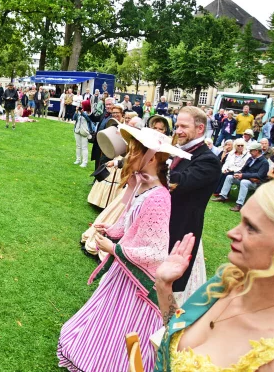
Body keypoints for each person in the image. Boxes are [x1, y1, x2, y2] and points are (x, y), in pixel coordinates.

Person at [59, 124, 191, 372]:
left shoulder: (158, 197)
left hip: (139, 283)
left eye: (135, 151)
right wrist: (110, 230)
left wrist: (114, 249)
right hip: (123, 273)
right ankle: (95, 356)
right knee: (106, 319)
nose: (129, 156)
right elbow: (129, 221)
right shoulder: (142, 185)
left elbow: (155, 252)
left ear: (152, 157)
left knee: (126, 328)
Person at [154, 182, 274, 372]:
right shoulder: (228, 281)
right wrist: (164, 285)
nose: (231, 233)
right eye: (241, 221)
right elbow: (178, 330)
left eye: (251, 228)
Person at [168, 106, 222, 302]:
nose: (178, 130)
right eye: (176, 125)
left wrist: (152, 163)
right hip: (164, 225)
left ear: (200, 129)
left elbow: (178, 182)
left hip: (181, 230)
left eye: (183, 126)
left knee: (170, 286)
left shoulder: (208, 160)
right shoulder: (180, 150)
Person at [213, 141, 269, 212]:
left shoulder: (264, 162)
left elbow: (260, 175)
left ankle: (239, 204)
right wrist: (238, 173)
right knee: (229, 177)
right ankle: (223, 196)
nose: (250, 152)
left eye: (251, 151)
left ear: (256, 151)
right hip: (246, 178)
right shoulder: (250, 158)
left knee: (244, 182)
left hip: (255, 183)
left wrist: (243, 175)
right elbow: (243, 169)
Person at [73, 100, 92, 168]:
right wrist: (76, 111)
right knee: (78, 146)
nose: (81, 106)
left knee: (84, 147)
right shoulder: (79, 111)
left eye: (82, 105)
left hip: (85, 131)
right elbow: (74, 118)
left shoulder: (89, 112)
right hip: (77, 130)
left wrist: (82, 113)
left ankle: (85, 162)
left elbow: (89, 120)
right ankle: (78, 159)